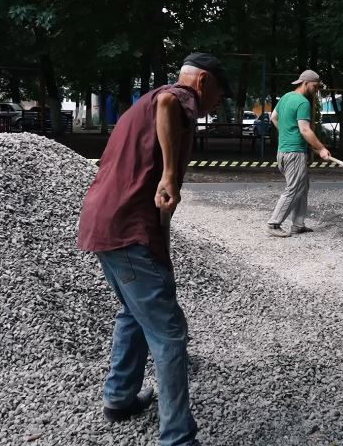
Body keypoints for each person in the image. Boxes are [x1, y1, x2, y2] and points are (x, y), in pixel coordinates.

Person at [77, 53, 232, 446]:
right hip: (127, 227)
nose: (215, 105)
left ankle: (119, 399)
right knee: (169, 332)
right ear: (203, 83)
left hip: (108, 222)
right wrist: (168, 175)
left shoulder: (145, 104)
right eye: (218, 95)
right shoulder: (175, 97)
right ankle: (178, 438)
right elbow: (169, 104)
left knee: (133, 312)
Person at [266, 69, 331, 237]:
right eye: (315, 86)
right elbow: (305, 130)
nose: (316, 90)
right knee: (294, 188)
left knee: (303, 187)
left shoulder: (286, 97)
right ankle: (274, 224)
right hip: (294, 153)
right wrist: (321, 149)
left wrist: (285, 132)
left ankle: (298, 224)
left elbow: (273, 117)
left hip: (283, 152)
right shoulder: (303, 102)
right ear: (305, 83)